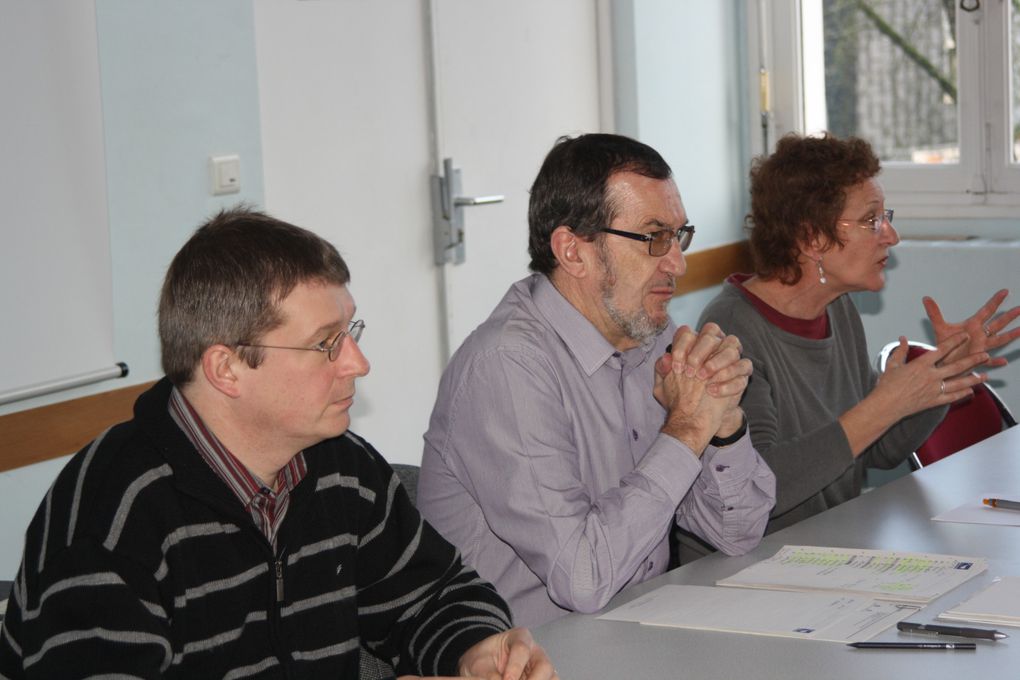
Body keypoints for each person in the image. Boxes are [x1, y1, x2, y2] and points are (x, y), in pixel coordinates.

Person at [0, 207, 556, 680]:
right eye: (325, 344)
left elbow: (432, 595)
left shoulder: (340, 467)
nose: (358, 363)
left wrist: (476, 648)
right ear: (227, 369)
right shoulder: (117, 511)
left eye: (351, 333)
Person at [417, 133, 777, 627]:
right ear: (572, 251)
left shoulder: (651, 335)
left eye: (678, 235)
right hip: (534, 657)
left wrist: (724, 420)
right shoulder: (507, 367)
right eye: (654, 238)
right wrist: (688, 429)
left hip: (637, 635)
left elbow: (738, 533)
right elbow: (582, 579)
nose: (678, 263)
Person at [698, 132, 1020, 534]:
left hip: (834, 547)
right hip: (754, 565)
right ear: (813, 238)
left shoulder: (837, 309)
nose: (891, 235)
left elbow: (880, 451)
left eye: (886, 217)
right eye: (872, 220)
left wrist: (945, 371)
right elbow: (759, 488)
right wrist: (883, 405)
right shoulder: (731, 330)